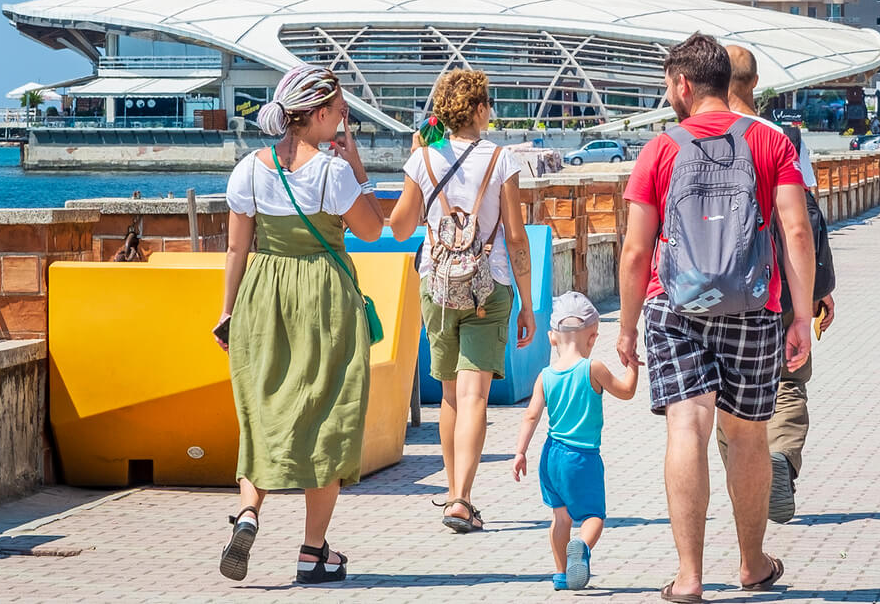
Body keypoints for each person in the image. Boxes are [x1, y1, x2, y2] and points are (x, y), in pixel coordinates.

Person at [618, 33, 816, 602]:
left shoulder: (660, 149)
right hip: (754, 307)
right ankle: (752, 563)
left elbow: (635, 252)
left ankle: (689, 576)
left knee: (687, 428)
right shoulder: (768, 141)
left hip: (674, 307)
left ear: (683, 85)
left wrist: (628, 327)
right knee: (748, 436)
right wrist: (800, 316)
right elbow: (795, 231)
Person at [215, 67, 384, 585]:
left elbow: (237, 248)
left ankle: (248, 514)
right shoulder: (333, 172)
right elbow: (374, 231)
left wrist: (226, 312)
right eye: (337, 112)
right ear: (315, 114)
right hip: (324, 298)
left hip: (262, 296)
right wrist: (356, 165)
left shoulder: (249, 169)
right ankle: (312, 553)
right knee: (328, 419)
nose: (343, 120)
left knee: (262, 412)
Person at [388, 68, 537, 534]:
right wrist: (527, 304)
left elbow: (397, 227)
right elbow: (516, 236)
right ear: (477, 109)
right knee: (475, 396)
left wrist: (416, 163)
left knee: (450, 396)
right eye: (488, 102)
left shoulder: (423, 160)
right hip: (488, 286)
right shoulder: (502, 159)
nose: (490, 110)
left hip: (437, 284)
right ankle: (462, 499)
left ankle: (454, 493)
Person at [720, 46, 836, 524]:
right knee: (788, 382)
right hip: (781, 282)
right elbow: (803, 220)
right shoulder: (784, 137)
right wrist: (817, 288)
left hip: (716, 286)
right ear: (756, 82)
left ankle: (749, 493)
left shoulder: (692, 136)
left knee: (726, 392)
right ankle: (781, 462)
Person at [511, 291, 638, 591]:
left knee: (560, 518)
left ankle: (560, 575)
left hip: (550, 455)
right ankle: (581, 546)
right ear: (593, 337)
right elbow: (627, 391)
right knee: (593, 515)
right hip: (583, 458)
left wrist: (519, 452)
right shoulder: (593, 368)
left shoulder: (545, 375)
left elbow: (530, 416)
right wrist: (632, 363)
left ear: (552, 337)